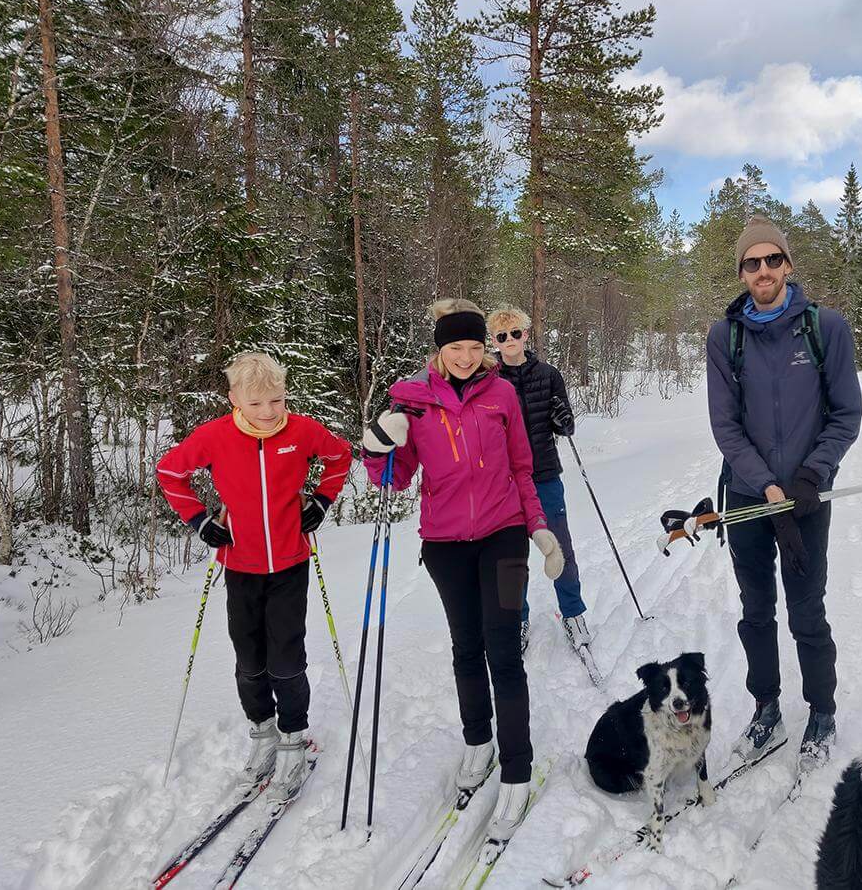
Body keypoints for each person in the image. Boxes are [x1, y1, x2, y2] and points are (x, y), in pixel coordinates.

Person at [362, 298, 564, 843]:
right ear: (439, 349)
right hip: (445, 544)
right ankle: (480, 742)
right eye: (457, 347)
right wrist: (377, 444)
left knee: (504, 651)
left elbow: (522, 466)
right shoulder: (412, 401)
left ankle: (517, 769)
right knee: (465, 648)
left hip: (502, 536)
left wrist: (538, 526)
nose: (468, 356)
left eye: (476, 347)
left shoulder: (501, 394)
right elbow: (393, 479)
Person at [156, 352, 352, 801]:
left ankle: (293, 738)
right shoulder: (215, 436)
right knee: (249, 658)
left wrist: (320, 502)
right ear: (235, 400)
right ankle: (262, 732)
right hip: (239, 565)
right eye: (257, 403)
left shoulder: (301, 431)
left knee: (286, 655)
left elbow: (340, 457)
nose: (268, 412)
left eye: (277, 401)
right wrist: (201, 521)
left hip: (289, 563)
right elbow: (170, 472)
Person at [706, 216, 862, 770]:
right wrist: (765, 482)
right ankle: (766, 706)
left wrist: (809, 476)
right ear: (742, 272)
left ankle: (821, 711)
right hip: (749, 497)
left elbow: (847, 414)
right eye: (753, 263)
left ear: (789, 266)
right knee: (755, 610)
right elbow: (725, 425)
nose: (764, 270)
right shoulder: (726, 336)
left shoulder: (826, 328)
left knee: (806, 612)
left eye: (773, 260)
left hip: (805, 499)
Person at [487, 306, 590, 655]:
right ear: (494, 341)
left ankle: (573, 614)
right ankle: (517, 619)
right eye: (502, 336)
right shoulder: (488, 379)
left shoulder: (548, 374)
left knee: (559, 547)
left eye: (515, 333)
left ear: (526, 334)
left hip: (544, 474)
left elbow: (566, 423)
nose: (510, 341)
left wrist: (563, 419)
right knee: (512, 555)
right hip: (504, 481)